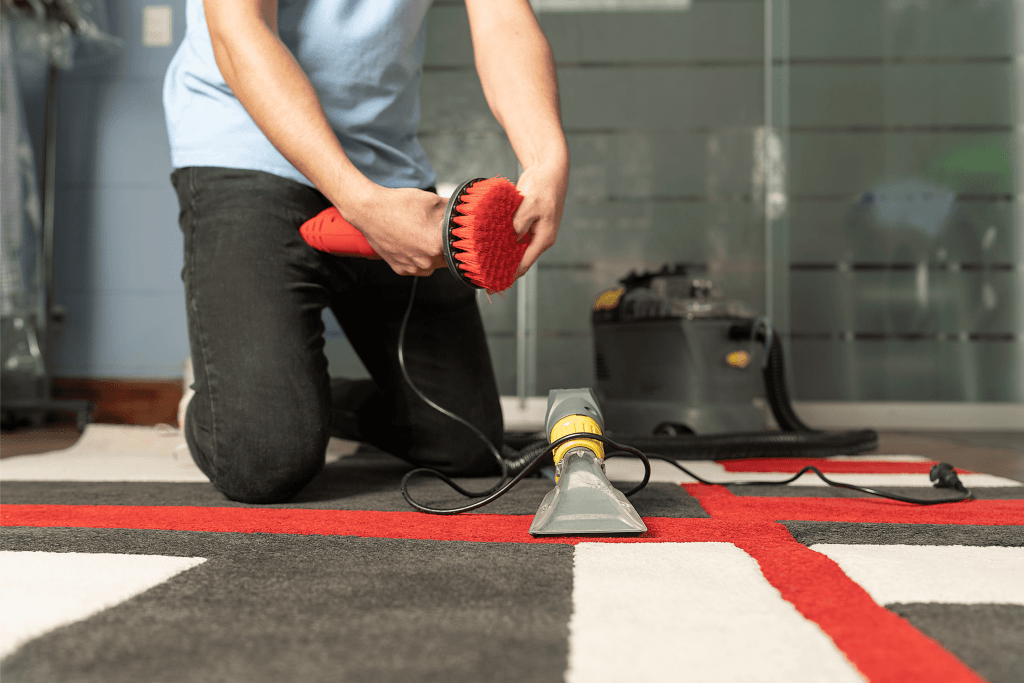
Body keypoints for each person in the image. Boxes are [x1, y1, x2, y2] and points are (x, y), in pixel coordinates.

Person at [162, 0, 569, 504]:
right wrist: (358, 201)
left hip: (387, 167)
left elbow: (502, 19)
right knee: (264, 459)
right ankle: (223, 400)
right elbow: (237, 28)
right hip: (246, 151)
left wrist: (547, 158)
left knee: (467, 444)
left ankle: (284, 395)